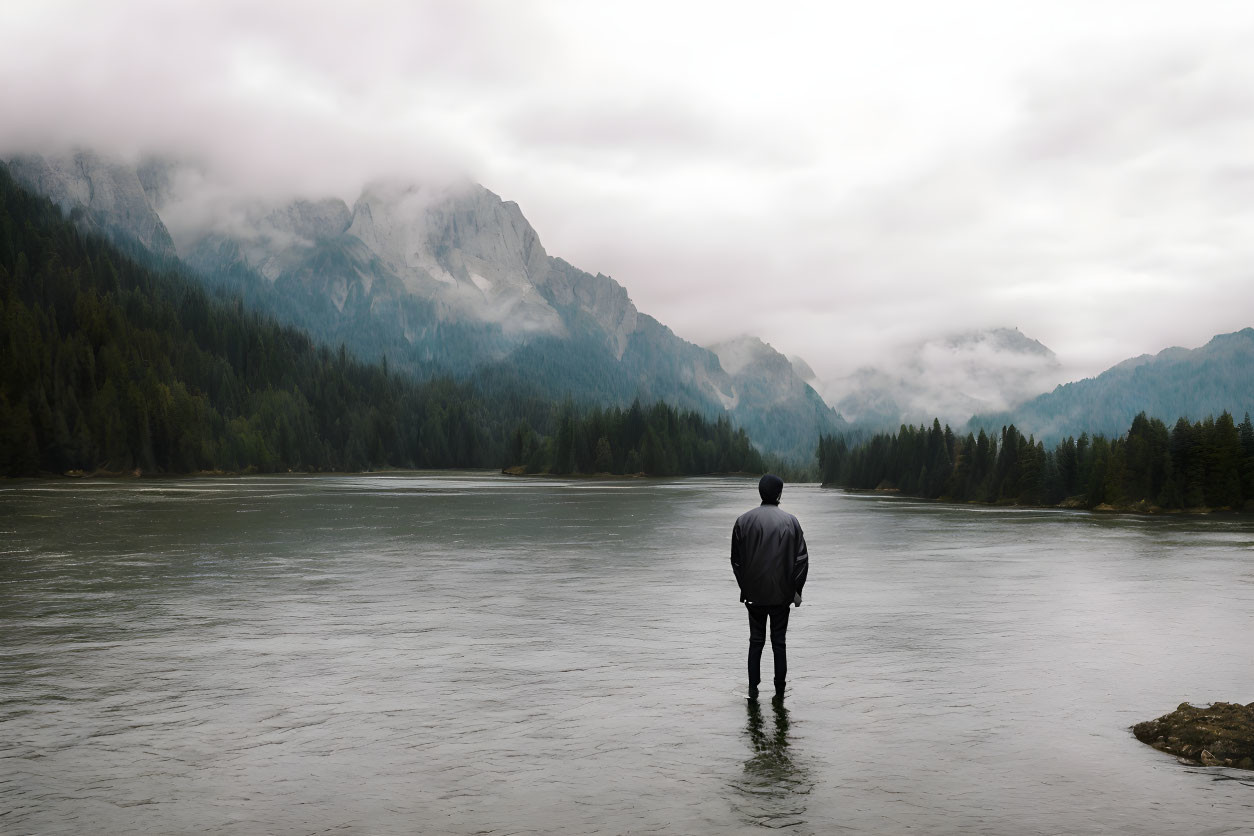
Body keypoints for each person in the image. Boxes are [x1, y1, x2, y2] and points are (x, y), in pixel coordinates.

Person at [730, 473, 808, 700]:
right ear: (779, 494)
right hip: (782, 596)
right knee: (779, 643)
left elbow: (736, 561)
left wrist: (745, 587)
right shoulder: (791, 521)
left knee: (756, 642)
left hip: (753, 596)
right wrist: (796, 591)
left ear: (760, 492)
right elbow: (801, 559)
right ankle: (779, 694)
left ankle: (752, 692)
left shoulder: (743, 521)